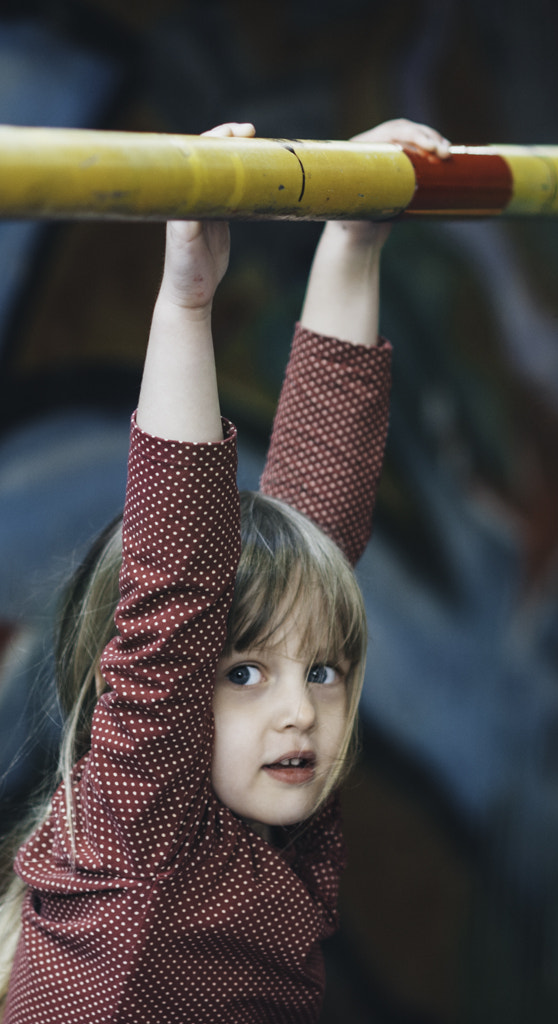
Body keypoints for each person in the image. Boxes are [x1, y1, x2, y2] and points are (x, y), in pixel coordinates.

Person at [0, 119, 451, 1023]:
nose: (301, 710)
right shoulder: (142, 833)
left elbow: (319, 521)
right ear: (144, 702)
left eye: (322, 674)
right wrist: (186, 303)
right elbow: (180, 585)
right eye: (243, 673)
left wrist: (353, 237)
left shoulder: (273, 826)